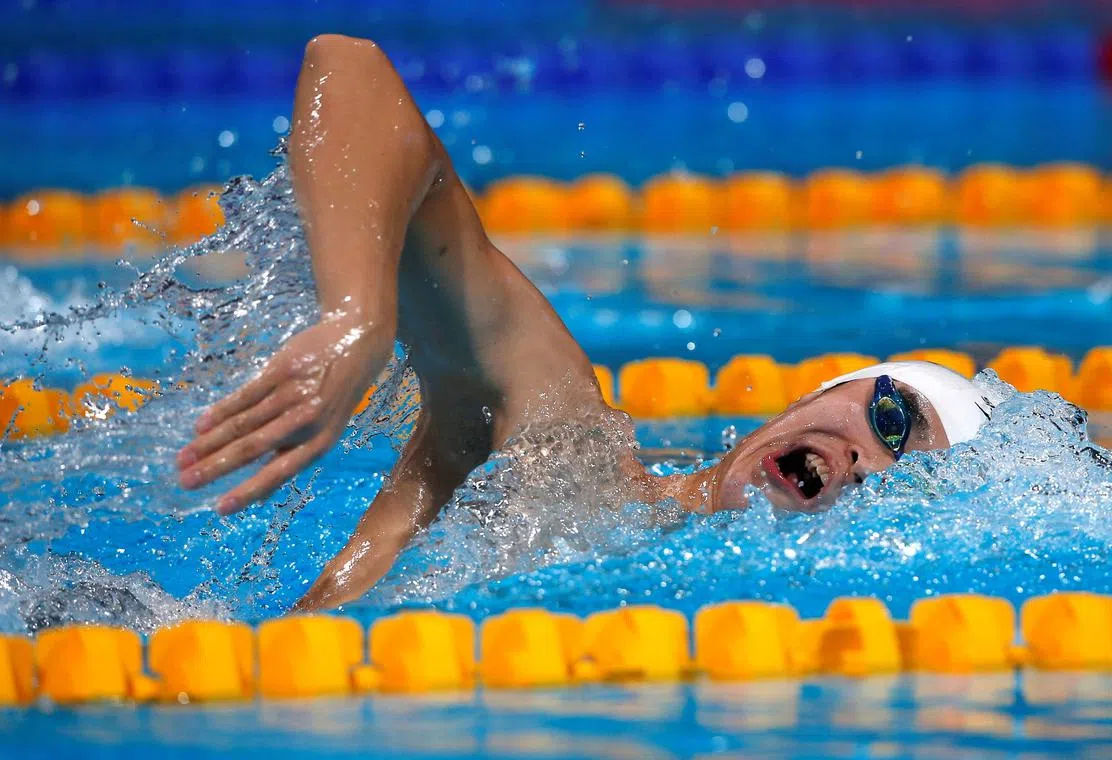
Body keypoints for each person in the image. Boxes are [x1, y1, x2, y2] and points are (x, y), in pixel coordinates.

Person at [175, 35, 994, 611]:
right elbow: (348, 68)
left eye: (903, 483)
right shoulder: (569, 452)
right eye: (890, 419)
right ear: (819, 396)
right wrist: (357, 317)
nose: (864, 463)